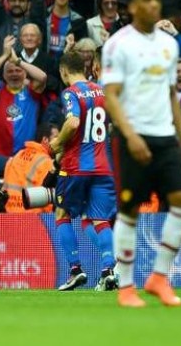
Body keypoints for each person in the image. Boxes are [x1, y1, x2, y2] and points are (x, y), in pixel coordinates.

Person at [102, 0, 181, 308]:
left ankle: (158, 277)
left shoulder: (169, 45)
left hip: (165, 135)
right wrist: (131, 135)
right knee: (129, 209)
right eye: (147, 0)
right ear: (133, 8)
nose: (154, 4)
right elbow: (110, 96)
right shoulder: (118, 45)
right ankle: (126, 287)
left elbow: (171, 94)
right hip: (131, 135)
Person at [49, 51, 117, 292]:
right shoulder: (102, 91)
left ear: (64, 71)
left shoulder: (71, 93)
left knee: (61, 214)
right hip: (103, 167)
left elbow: (73, 122)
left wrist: (56, 145)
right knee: (100, 219)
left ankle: (75, 270)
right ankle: (109, 271)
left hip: (76, 167)